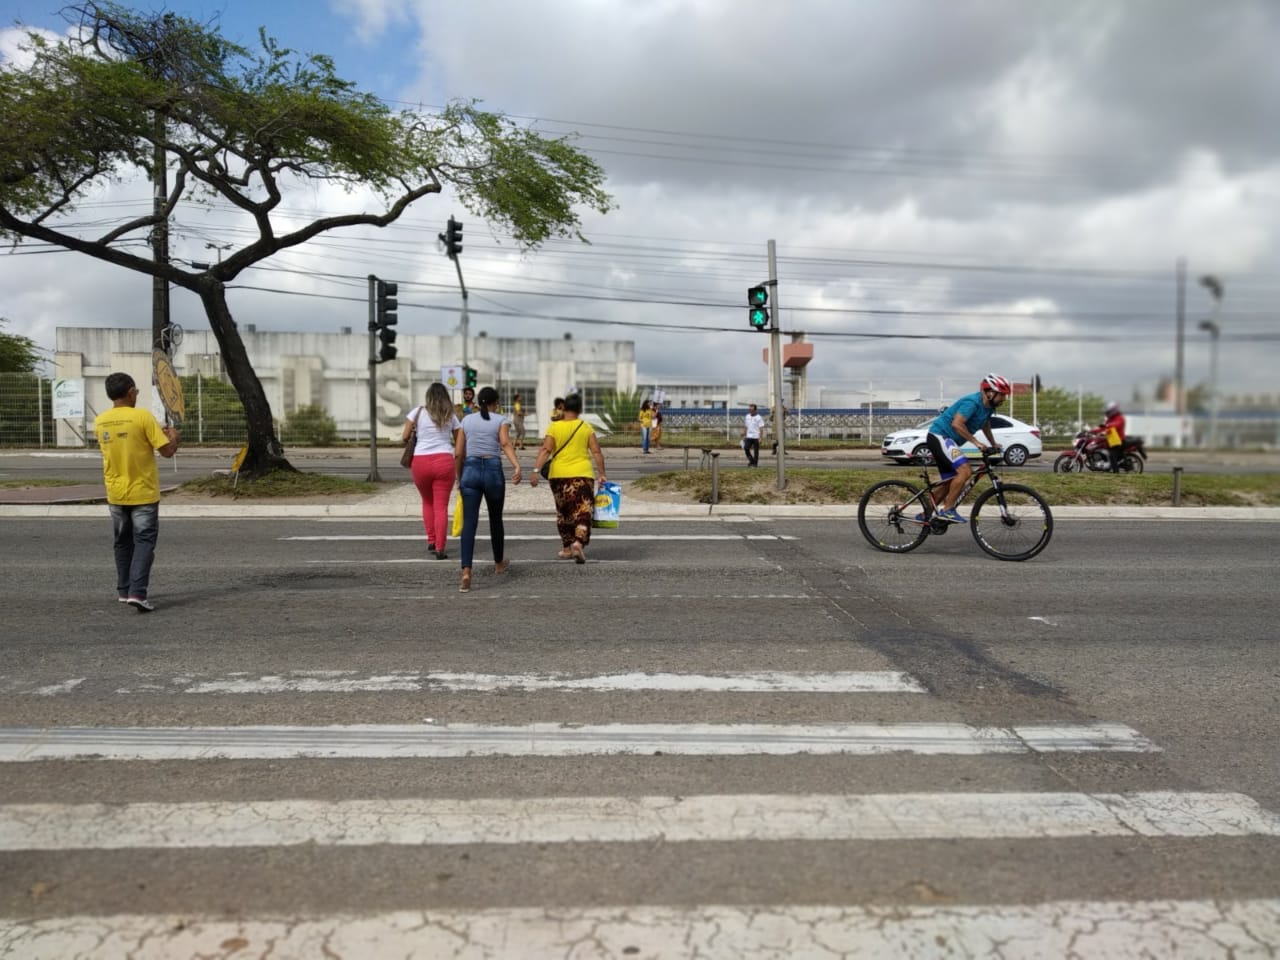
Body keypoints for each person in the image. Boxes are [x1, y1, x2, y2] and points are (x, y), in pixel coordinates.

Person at [93, 371, 180, 612]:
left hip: (115, 492)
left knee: (122, 542)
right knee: (143, 542)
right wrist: (174, 436)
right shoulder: (143, 417)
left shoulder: (100, 421)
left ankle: (124, 589)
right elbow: (167, 451)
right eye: (137, 392)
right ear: (131, 391)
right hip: (143, 492)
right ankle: (138, 592)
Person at [455, 386, 524, 593]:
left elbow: (458, 453)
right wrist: (516, 465)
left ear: (478, 402)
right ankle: (499, 563)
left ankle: (466, 571)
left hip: (471, 471)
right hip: (493, 471)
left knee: (470, 522)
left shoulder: (466, 421)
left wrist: (460, 479)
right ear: (496, 404)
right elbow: (504, 443)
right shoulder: (501, 420)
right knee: (495, 519)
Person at [530, 392, 607, 564]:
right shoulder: (585, 427)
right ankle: (578, 542)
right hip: (582, 475)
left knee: (563, 512)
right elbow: (596, 452)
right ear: (580, 409)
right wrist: (602, 474)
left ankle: (566, 548)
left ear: (563, 408)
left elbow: (545, 450)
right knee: (583, 511)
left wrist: (536, 470)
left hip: (558, 476)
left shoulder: (554, 427)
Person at [924, 373, 1009, 523]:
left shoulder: (988, 407)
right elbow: (957, 424)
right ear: (990, 392)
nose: (1004, 399)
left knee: (950, 483)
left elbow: (985, 424)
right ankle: (947, 510)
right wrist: (976, 442)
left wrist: (993, 443)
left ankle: (925, 516)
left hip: (948, 440)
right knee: (965, 471)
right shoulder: (972, 402)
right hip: (940, 436)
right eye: (1001, 395)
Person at [403, 382, 460, 560]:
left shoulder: (417, 412)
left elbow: (404, 436)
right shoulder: (451, 415)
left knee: (427, 502)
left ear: (428, 396)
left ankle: (431, 540)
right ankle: (440, 548)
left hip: (420, 462)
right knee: (441, 506)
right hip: (444, 461)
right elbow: (459, 442)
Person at [1100, 400, 1127, 473]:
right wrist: (1091, 431)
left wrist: (1107, 426)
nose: (1107, 413)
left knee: (1112, 455)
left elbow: (1116, 425)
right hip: (1111, 440)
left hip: (1119, 441)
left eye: (1109, 411)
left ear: (1113, 410)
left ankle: (1116, 472)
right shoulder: (1110, 419)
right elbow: (1103, 427)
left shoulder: (1120, 418)